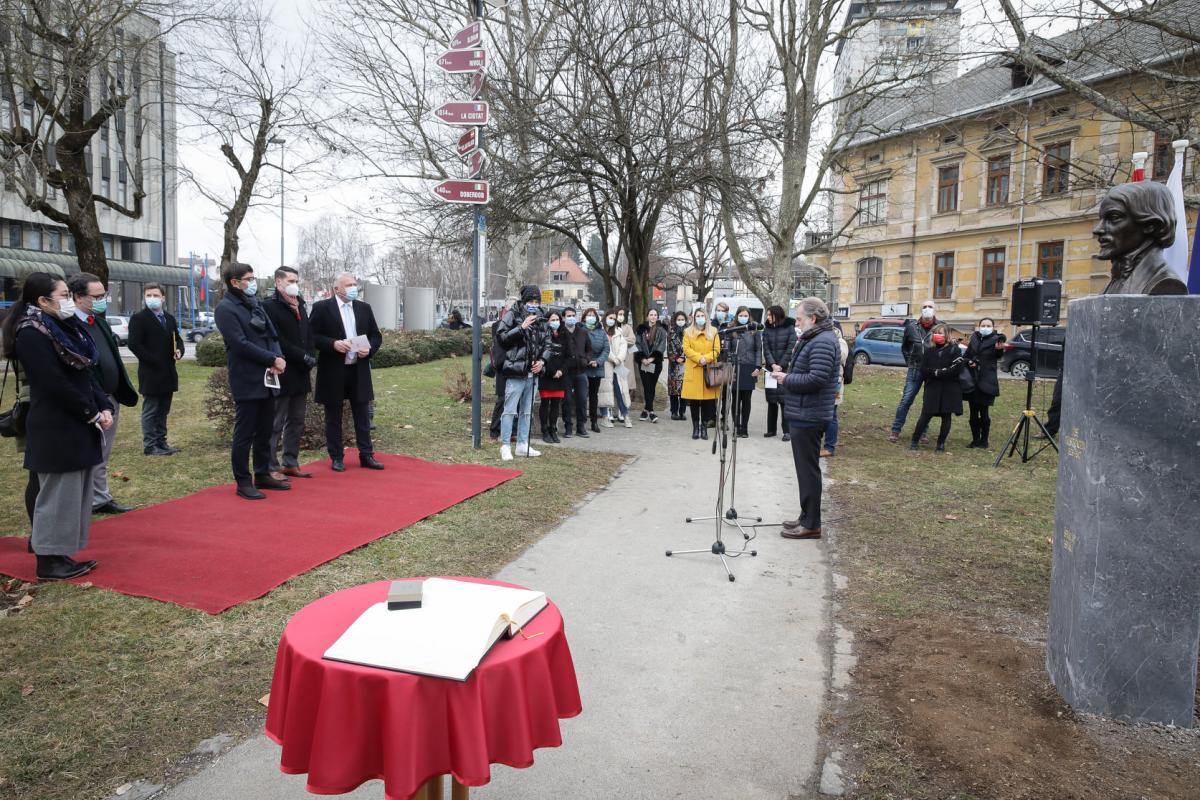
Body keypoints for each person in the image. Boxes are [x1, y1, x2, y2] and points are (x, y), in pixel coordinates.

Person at [3, 272, 110, 580]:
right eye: (63, 296)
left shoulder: (61, 326)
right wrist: (89, 411)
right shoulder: (31, 333)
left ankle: (61, 552)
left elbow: (84, 372)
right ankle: (49, 561)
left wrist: (101, 403)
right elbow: (53, 382)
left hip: (75, 422)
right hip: (56, 425)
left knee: (72, 493)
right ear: (42, 301)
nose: (68, 301)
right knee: (55, 495)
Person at [214, 263, 291, 500]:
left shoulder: (255, 304)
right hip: (247, 377)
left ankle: (263, 472)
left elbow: (272, 334)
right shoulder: (226, 309)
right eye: (248, 279)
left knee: (265, 430)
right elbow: (239, 344)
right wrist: (271, 358)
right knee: (245, 433)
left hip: (268, 377)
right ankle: (243, 481)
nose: (253, 282)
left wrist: (278, 357)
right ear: (234, 282)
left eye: (253, 277)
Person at [769, 297, 840, 540]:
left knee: (808, 471)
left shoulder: (822, 341)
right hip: (804, 412)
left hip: (810, 414)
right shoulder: (816, 337)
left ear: (814, 318)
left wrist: (786, 379)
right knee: (805, 470)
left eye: (800, 319)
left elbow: (816, 379)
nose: (797, 323)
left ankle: (811, 524)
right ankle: (806, 516)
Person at [67, 272, 138, 514]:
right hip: (89, 399)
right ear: (77, 297)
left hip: (111, 396)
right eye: (96, 296)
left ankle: (100, 497)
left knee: (103, 452)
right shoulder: (69, 325)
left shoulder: (98, 321)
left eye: (104, 295)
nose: (102, 300)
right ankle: (87, 499)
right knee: (89, 451)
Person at [310, 273, 385, 472]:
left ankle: (366, 455)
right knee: (333, 416)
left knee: (362, 414)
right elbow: (312, 336)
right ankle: (336, 457)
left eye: (354, 284)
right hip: (333, 370)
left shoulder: (363, 308)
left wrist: (369, 349)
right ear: (337, 289)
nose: (353, 288)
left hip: (358, 369)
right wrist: (332, 344)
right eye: (348, 285)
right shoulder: (322, 308)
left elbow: (376, 336)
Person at [262, 267, 317, 478]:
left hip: (301, 373)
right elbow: (276, 339)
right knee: (275, 422)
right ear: (278, 282)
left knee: (296, 420)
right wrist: (301, 355)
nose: (295, 284)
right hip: (282, 369)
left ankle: (290, 461)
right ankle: (270, 465)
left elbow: (308, 334)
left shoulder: (300, 304)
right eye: (291, 280)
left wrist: (311, 355)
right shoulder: (269, 306)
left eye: (296, 280)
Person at [127, 282, 185, 455]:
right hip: (151, 372)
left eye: (156, 295)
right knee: (151, 409)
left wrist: (179, 350)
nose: (152, 299)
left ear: (163, 298)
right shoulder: (139, 318)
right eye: (148, 295)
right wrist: (154, 360)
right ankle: (150, 445)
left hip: (168, 372)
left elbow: (178, 339)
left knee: (163, 410)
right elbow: (134, 345)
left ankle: (162, 442)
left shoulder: (169, 318)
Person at [494, 284, 549, 460]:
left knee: (527, 411)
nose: (534, 304)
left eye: (537, 301)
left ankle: (523, 444)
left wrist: (542, 361)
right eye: (531, 301)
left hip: (533, 374)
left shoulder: (541, 316)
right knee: (510, 410)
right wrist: (521, 328)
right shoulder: (512, 314)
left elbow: (547, 342)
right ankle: (505, 445)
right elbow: (501, 337)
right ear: (524, 301)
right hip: (515, 372)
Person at [887, 300, 939, 443]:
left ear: (935, 310)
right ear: (920, 310)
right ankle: (895, 430)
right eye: (924, 307)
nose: (927, 309)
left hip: (932, 371)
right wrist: (910, 361)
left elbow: (944, 347)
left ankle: (923, 432)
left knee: (928, 402)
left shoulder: (940, 327)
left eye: (930, 307)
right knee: (906, 400)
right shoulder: (911, 327)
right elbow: (905, 347)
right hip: (915, 369)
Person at [909, 322, 965, 452]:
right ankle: (914, 441)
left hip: (949, 388)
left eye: (940, 333)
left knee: (946, 416)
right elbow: (924, 369)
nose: (937, 335)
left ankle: (940, 444)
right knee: (926, 415)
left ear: (946, 335)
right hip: (932, 387)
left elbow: (957, 369)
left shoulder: (954, 350)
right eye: (935, 333)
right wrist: (936, 372)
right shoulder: (929, 351)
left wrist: (939, 372)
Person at [963, 318, 1006, 448]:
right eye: (983, 325)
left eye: (988, 325)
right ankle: (975, 439)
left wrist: (999, 350)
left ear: (993, 327)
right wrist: (969, 362)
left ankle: (984, 440)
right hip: (972, 380)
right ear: (979, 326)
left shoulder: (997, 339)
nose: (985, 327)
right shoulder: (974, 338)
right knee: (973, 413)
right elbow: (967, 355)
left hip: (987, 380)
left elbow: (998, 356)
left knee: (984, 412)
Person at [681, 307, 720, 440]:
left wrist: (706, 358)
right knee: (694, 402)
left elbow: (716, 350)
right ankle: (695, 428)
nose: (700, 318)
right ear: (693, 317)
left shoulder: (714, 331)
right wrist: (699, 358)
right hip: (694, 369)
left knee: (707, 403)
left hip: (709, 370)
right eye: (697, 315)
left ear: (706, 317)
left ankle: (704, 427)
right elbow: (686, 349)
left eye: (702, 315)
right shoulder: (688, 332)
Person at [762, 305, 796, 441]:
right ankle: (771, 430)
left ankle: (787, 431)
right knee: (771, 400)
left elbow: (791, 346)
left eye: (770, 315)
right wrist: (773, 364)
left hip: (785, 369)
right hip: (771, 369)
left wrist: (781, 365)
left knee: (784, 401)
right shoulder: (767, 329)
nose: (768, 317)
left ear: (776, 315)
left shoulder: (789, 327)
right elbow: (766, 348)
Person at [728, 305, 762, 438]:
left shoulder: (754, 329)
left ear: (749, 316)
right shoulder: (732, 328)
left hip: (749, 366)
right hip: (735, 366)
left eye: (745, 316)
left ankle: (744, 427)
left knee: (746, 399)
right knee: (735, 399)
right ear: (737, 316)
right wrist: (729, 365)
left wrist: (758, 366)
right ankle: (736, 426)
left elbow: (759, 349)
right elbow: (728, 348)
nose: (743, 318)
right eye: (741, 315)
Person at [561, 306, 592, 438]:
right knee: (567, 399)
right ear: (563, 318)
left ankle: (581, 426)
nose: (571, 318)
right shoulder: (561, 333)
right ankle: (568, 427)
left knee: (582, 399)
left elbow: (589, 349)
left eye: (573, 315)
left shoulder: (583, 332)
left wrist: (586, 359)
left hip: (581, 371)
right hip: (566, 373)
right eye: (569, 316)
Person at [538, 310, 568, 444]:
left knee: (556, 404)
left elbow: (569, 356)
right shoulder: (543, 334)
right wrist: (552, 371)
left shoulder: (564, 335)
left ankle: (553, 429)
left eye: (557, 320)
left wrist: (561, 371)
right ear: (547, 321)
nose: (555, 322)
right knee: (545, 403)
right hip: (546, 374)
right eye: (552, 320)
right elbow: (542, 354)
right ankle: (544, 430)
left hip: (561, 375)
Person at [821, 321, 850, 457]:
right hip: (823, 380)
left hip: (835, 382)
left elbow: (840, 358)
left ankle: (829, 446)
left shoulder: (840, 341)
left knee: (831, 415)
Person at [634, 308, 667, 421]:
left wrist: (652, 358)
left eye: (655, 315)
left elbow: (662, 345)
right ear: (647, 316)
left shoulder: (662, 330)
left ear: (657, 317)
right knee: (646, 386)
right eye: (651, 314)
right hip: (643, 363)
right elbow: (637, 344)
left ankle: (646, 410)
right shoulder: (641, 329)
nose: (653, 317)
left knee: (651, 386)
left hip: (656, 363)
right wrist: (642, 358)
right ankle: (651, 411)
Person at [601, 310, 632, 428]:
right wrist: (613, 359)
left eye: (614, 318)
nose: (612, 320)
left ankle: (625, 415)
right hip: (606, 365)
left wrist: (618, 359)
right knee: (605, 390)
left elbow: (623, 347)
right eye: (610, 317)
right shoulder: (601, 332)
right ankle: (605, 416)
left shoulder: (619, 332)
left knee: (621, 391)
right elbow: (604, 348)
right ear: (605, 318)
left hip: (618, 365)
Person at [582, 307, 609, 433]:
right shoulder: (580, 330)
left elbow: (606, 349)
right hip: (583, 367)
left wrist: (597, 362)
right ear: (584, 317)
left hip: (596, 368)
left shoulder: (601, 332)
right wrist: (587, 361)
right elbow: (579, 347)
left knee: (594, 395)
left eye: (593, 315)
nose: (591, 317)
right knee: (582, 395)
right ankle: (581, 422)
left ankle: (594, 422)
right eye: (588, 315)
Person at [488, 301, 510, 443]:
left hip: (518, 366)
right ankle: (494, 432)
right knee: (501, 399)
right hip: (502, 366)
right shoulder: (497, 326)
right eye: (507, 309)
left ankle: (511, 431)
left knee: (516, 401)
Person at [666, 310, 689, 420]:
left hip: (686, 364)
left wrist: (684, 357)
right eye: (679, 319)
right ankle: (674, 411)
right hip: (674, 366)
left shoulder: (689, 332)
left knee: (684, 390)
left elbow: (691, 347)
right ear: (675, 320)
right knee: (674, 390)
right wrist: (675, 358)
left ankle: (682, 412)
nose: (681, 321)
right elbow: (669, 349)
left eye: (682, 319)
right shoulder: (671, 332)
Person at [614, 306, 638, 404]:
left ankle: (623, 407)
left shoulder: (627, 327)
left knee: (626, 385)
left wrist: (620, 339)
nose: (621, 316)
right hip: (614, 359)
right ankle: (614, 408)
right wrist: (623, 339)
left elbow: (632, 340)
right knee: (614, 384)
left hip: (626, 359)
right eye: (620, 314)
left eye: (623, 314)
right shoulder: (611, 327)